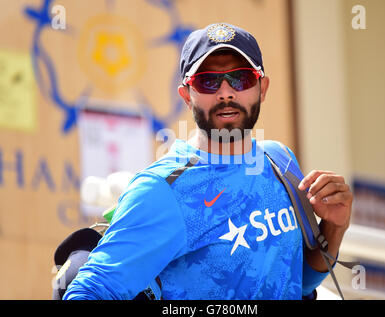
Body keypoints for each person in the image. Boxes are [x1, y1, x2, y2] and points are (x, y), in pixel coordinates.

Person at [63, 22, 352, 300]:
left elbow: (297, 282)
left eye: (240, 78)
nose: (226, 92)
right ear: (187, 96)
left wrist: (335, 227)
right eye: (208, 81)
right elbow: (88, 291)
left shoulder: (279, 160)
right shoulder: (163, 189)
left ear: (262, 88)